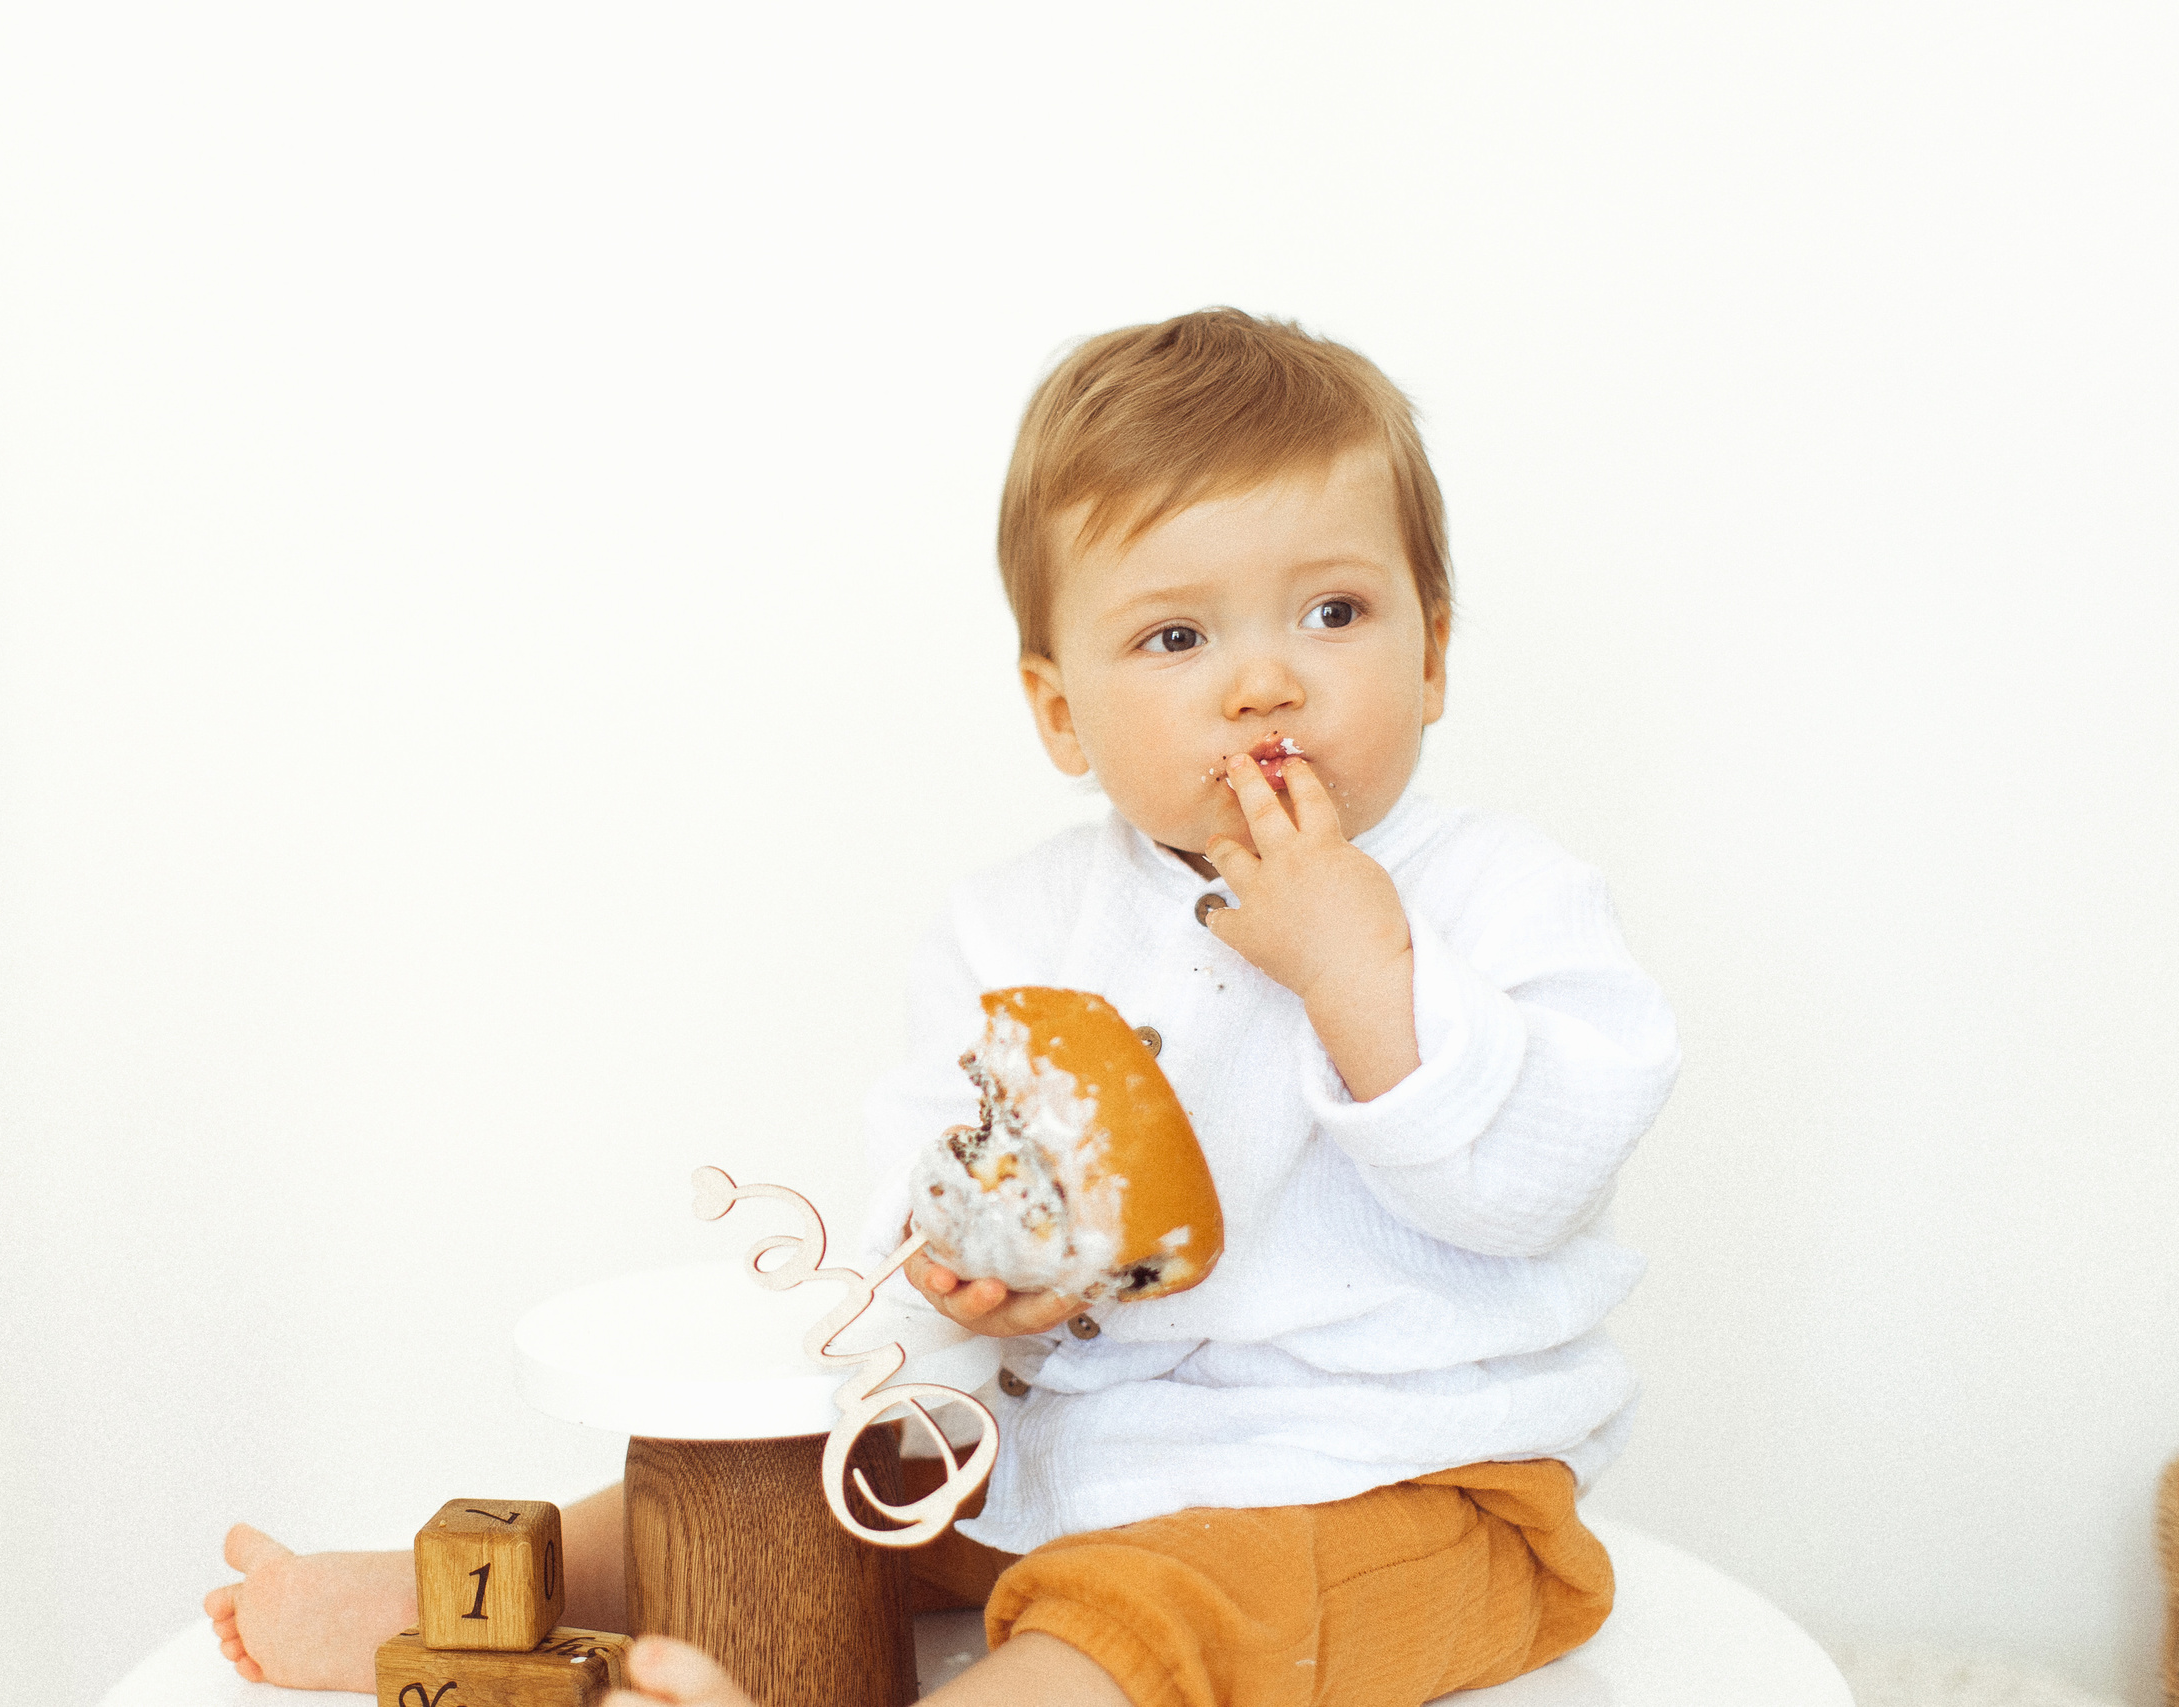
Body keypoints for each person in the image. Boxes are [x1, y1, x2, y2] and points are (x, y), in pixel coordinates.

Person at [205, 308, 1679, 1707]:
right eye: (1178, 639)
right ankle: (471, 1587)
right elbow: (935, 1163)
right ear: (1060, 712)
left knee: (1142, 1619)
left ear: (1432, 654)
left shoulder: (1501, 895)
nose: (1265, 683)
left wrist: (1363, 967)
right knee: (790, 1487)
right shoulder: (1016, 919)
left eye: (1335, 611)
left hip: (1393, 1481)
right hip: (1059, 1444)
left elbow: (1533, 1185)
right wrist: (965, 1264)